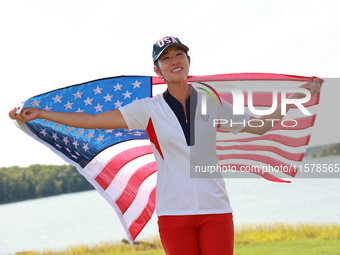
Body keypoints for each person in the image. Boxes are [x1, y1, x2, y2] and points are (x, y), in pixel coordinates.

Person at [9, 36, 321, 255]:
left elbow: (259, 125)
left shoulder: (212, 102)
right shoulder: (148, 109)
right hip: (174, 215)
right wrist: (43, 114)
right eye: (166, 58)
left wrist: (297, 99)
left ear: (188, 61)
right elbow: (93, 120)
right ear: (158, 71)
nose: (174, 61)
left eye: (179, 54)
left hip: (216, 210)